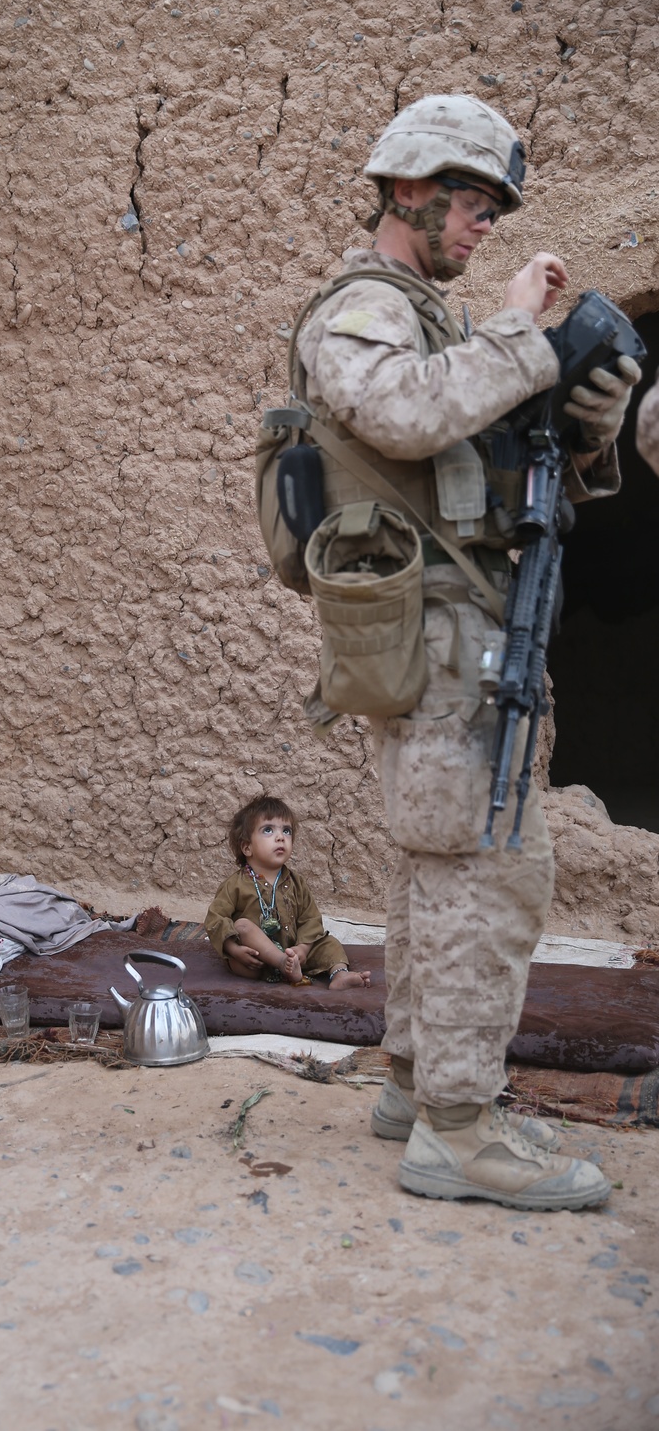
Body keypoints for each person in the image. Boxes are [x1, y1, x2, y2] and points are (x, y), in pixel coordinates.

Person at [294, 94, 640, 1210]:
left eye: (494, 209)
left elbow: (477, 466)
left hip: (467, 631)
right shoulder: (363, 308)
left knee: (440, 868)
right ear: (408, 188)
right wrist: (519, 336)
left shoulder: (431, 320)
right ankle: (458, 1130)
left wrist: (581, 419)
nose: (485, 225)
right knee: (487, 874)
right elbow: (398, 415)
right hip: (438, 641)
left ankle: (414, 1085)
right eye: (473, 202)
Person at [204, 794, 371, 990]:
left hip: (294, 953)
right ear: (247, 847)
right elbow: (215, 919)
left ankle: (340, 974)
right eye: (268, 830)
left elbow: (310, 920)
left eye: (286, 830)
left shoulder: (297, 883)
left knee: (328, 942)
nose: (280, 837)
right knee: (242, 927)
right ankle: (282, 963)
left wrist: (303, 948)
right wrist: (234, 950)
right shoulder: (235, 884)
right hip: (256, 959)